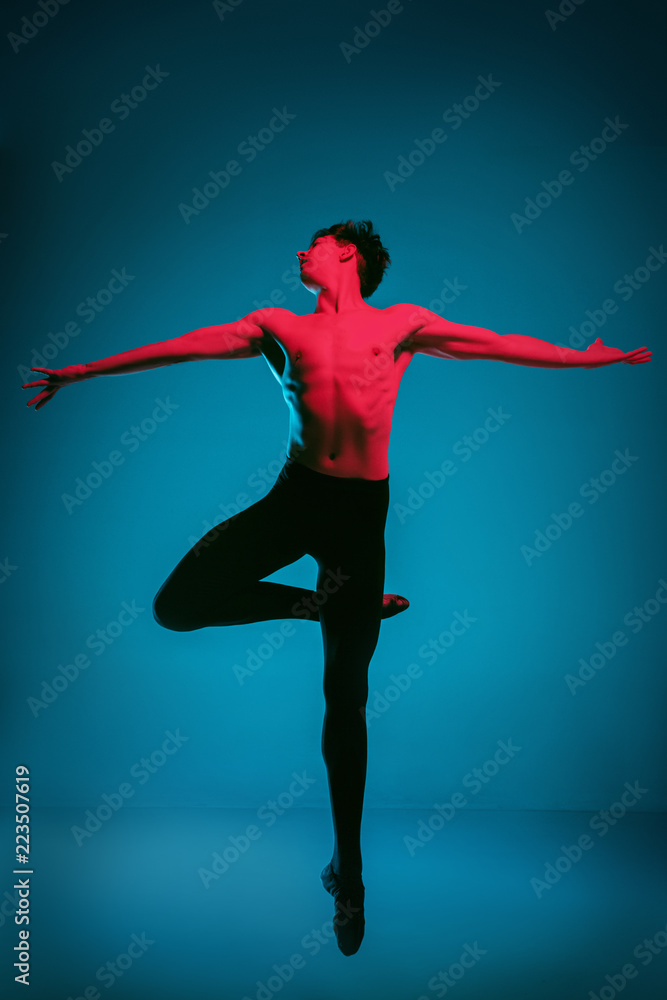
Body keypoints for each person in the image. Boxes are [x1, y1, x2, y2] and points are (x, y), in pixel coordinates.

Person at [22, 220, 652, 955]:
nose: (299, 252)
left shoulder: (401, 323)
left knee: (344, 695)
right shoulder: (276, 324)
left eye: (313, 244)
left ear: (346, 253)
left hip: (359, 518)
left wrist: (582, 360)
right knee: (175, 607)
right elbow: (181, 346)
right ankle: (315, 604)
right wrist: (82, 372)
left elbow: (496, 342)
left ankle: (347, 870)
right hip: (293, 501)